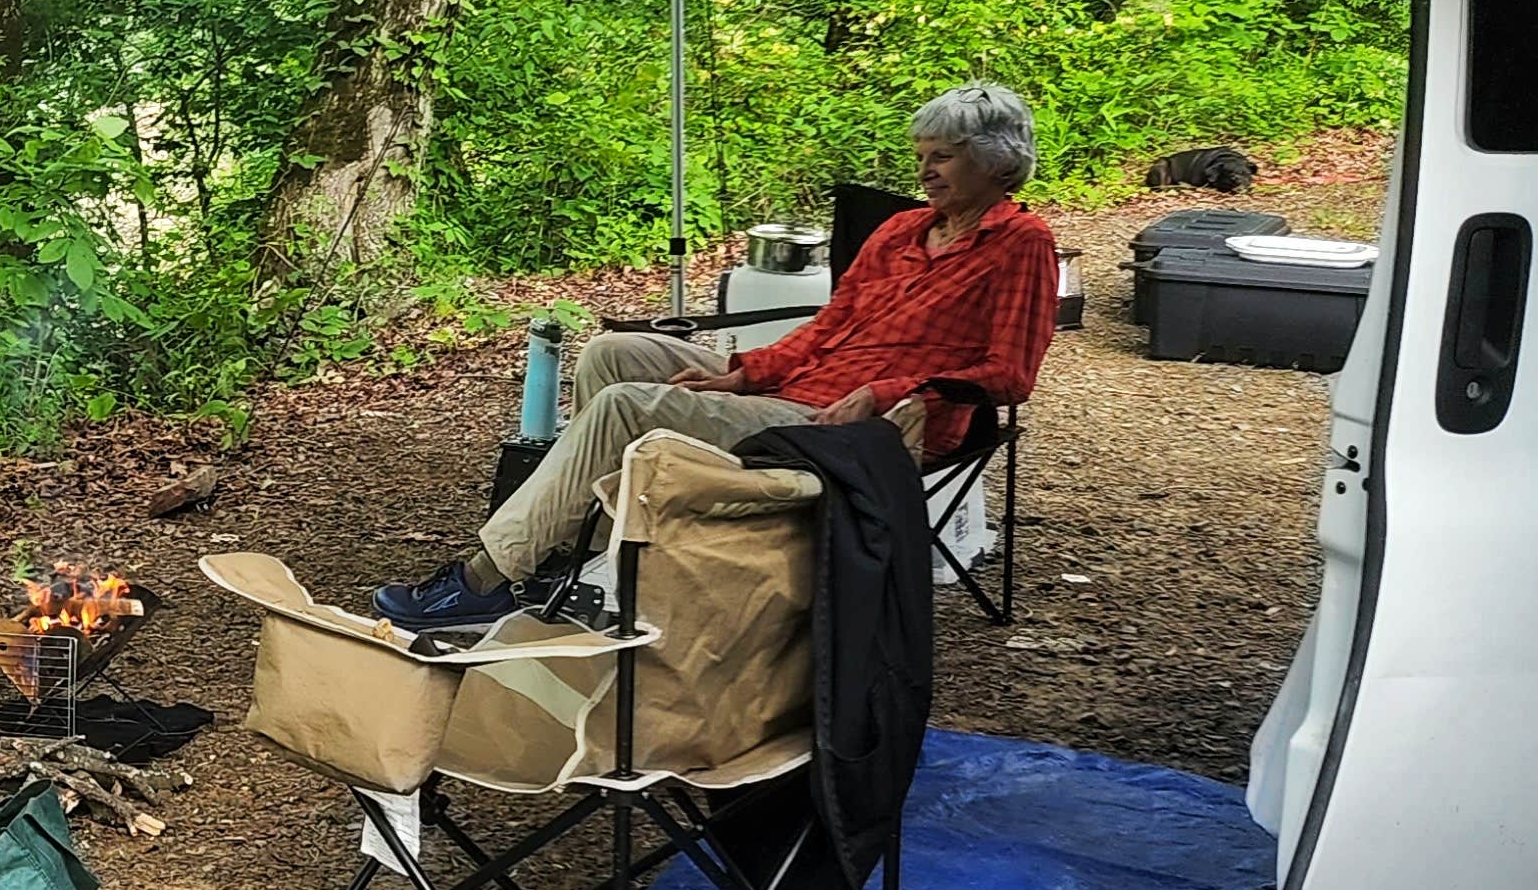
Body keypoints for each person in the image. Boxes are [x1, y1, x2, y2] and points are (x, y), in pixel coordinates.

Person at [372, 82, 1064, 632]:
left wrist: (888, 394)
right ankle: (593, 558)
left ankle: (483, 580)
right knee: (613, 355)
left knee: (622, 408)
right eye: (922, 152)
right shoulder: (902, 231)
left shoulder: (1019, 245)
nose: (924, 169)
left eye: (942, 155)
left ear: (997, 161)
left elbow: (1010, 375)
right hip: (793, 394)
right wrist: (742, 373)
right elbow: (827, 329)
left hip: (866, 436)